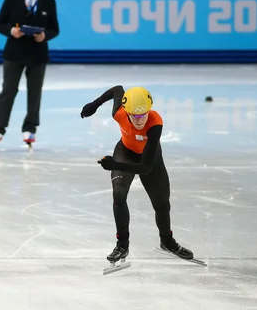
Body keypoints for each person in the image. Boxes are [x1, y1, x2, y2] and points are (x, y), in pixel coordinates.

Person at [80, 85, 195, 264]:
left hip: (149, 159)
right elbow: (117, 89)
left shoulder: (155, 123)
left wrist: (114, 165)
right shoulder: (119, 112)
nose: (140, 120)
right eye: (135, 115)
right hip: (125, 151)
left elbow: (145, 168)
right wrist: (94, 105)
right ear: (126, 112)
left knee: (162, 204)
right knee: (118, 195)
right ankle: (122, 245)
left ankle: (167, 241)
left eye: (143, 114)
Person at [0, 0, 60, 146]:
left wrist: (44, 36)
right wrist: (11, 31)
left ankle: (30, 128)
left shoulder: (48, 1)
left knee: (35, 92)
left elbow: (54, 29)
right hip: (14, 53)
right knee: (8, 91)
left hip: (38, 55)